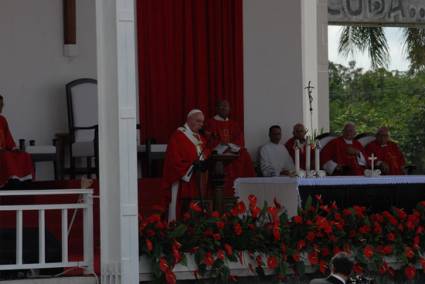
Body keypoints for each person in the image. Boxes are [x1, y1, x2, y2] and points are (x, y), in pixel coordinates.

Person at [161, 109, 210, 220]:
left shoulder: (200, 137)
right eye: (198, 121)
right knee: (181, 212)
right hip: (183, 180)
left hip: (199, 179)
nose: (201, 125)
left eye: (202, 122)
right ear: (189, 120)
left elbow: (206, 155)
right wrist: (190, 167)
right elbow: (173, 161)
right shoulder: (178, 136)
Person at [204, 100, 255, 196]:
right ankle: (223, 193)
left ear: (229, 109)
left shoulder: (234, 124)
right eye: (222, 106)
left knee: (244, 153)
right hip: (218, 151)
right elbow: (208, 140)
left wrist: (231, 146)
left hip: (232, 150)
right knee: (220, 159)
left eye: (226, 107)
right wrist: (222, 145)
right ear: (216, 108)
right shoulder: (210, 123)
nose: (224, 108)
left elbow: (239, 139)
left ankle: (244, 191)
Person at [0, 95, 34, 187]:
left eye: (2, 104)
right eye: (0, 104)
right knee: (6, 156)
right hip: (2, 153)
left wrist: (14, 148)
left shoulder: (2, 120)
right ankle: (12, 182)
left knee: (24, 155)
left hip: (3, 151)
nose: (2, 106)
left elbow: (8, 138)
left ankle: (25, 184)